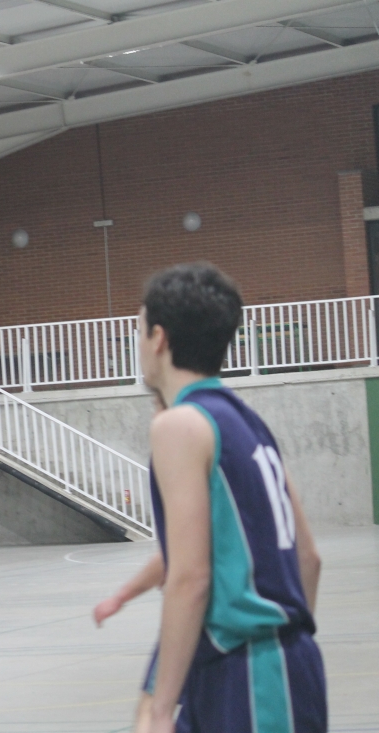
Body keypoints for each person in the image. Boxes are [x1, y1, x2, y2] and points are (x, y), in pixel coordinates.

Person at [94, 263, 325, 733]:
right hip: (270, 666)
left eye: (139, 332)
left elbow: (190, 576)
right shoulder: (248, 422)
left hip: (250, 672)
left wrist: (162, 708)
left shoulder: (179, 424)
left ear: (159, 339)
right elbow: (309, 558)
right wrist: (286, 641)